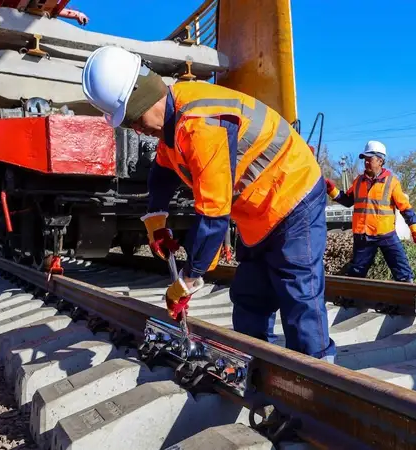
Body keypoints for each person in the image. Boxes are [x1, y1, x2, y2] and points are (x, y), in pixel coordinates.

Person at [81, 46, 336, 362]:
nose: (137, 129)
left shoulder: (202, 125)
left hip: (293, 197)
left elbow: (214, 217)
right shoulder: (173, 117)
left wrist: (188, 279)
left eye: (135, 119)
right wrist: (155, 220)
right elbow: (162, 172)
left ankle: (321, 380)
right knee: (250, 295)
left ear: (146, 98)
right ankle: (255, 366)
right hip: (259, 212)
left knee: (299, 296)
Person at [326, 141, 416, 282]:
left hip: (386, 235)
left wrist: (415, 230)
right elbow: (348, 201)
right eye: (364, 159)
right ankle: (352, 300)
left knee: (402, 271)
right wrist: (332, 190)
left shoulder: (392, 182)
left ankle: (406, 298)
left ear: (380, 160)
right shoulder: (358, 181)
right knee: (356, 273)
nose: (366, 162)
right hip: (363, 235)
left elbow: (405, 207)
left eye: (369, 159)